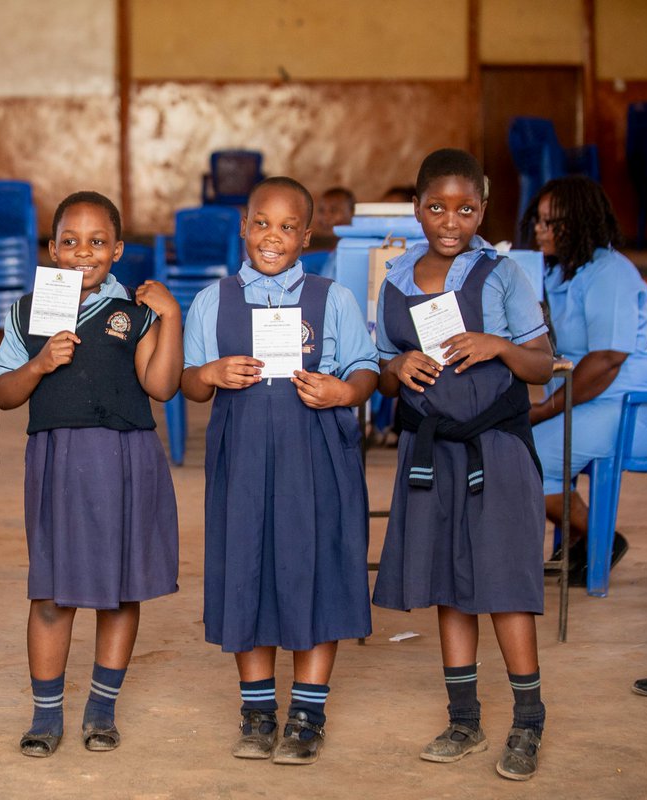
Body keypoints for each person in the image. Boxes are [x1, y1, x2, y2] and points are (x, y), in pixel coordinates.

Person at [182, 177, 378, 765]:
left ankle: (308, 713)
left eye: (288, 227)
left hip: (315, 458)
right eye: (262, 223)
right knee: (247, 569)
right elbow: (189, 382)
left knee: (315, 568)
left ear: (307, 237)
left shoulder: (332, 298)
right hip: (242, 460)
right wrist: (211, 373)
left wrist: (343, 390)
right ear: (243, 228)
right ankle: (258, 712)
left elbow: (367, 368)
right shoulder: (214, 300)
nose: (273, 236)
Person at [373, 149, 554, 781]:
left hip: (495, 448)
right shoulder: (394, 280)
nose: (452, 220)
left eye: (466, 208)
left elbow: (540, 363)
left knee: (504, 583)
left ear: (484, 209)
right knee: (451, 586)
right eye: (438, 207)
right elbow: (383, 376)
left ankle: (528, 723)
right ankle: (464, 719)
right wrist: (394, 368)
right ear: (417, 208)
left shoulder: (501, 274)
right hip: (431, 452)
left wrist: (499, 344)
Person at [0, 191, 181, 758]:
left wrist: (171, 317)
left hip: (126, 456)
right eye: (69, 242)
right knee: (51, 590)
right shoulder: (27, 312)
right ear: (51, 249)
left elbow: (163, 386)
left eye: (97, 242)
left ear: (118, 250)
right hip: (58, 458)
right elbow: (3, 393)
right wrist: (40, 363)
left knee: (120, 590)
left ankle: (102, 708)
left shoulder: (138, 311)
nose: (83, 253)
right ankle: (46, 712)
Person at [523, 176, 647, 584]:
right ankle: (584, 536)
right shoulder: (558, 273)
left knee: (523, 454)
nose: (539, 229)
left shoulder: (610, 273)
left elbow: (607, 360)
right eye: (538, 219)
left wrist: (542, 411)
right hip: (586, 406)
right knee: (514, 448)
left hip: (627, 410)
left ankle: (599, 536)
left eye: (551, 222)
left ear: (581, 222)